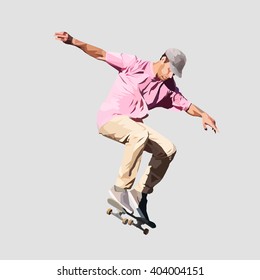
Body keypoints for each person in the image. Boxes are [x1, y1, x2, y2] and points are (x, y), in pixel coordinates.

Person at [54, 31, 219, 223]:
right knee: (139, 134)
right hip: (111, 118)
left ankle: (139, 196)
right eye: (169, 69)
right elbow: (101, 54)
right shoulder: (134, 64)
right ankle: (120, 190)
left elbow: (186, 105)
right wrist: (74, 41)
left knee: (168, 149)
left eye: (174, 73)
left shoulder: (169, 87)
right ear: (163, 59)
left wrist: (203, 114)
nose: (169, 75)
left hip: (133, 125)